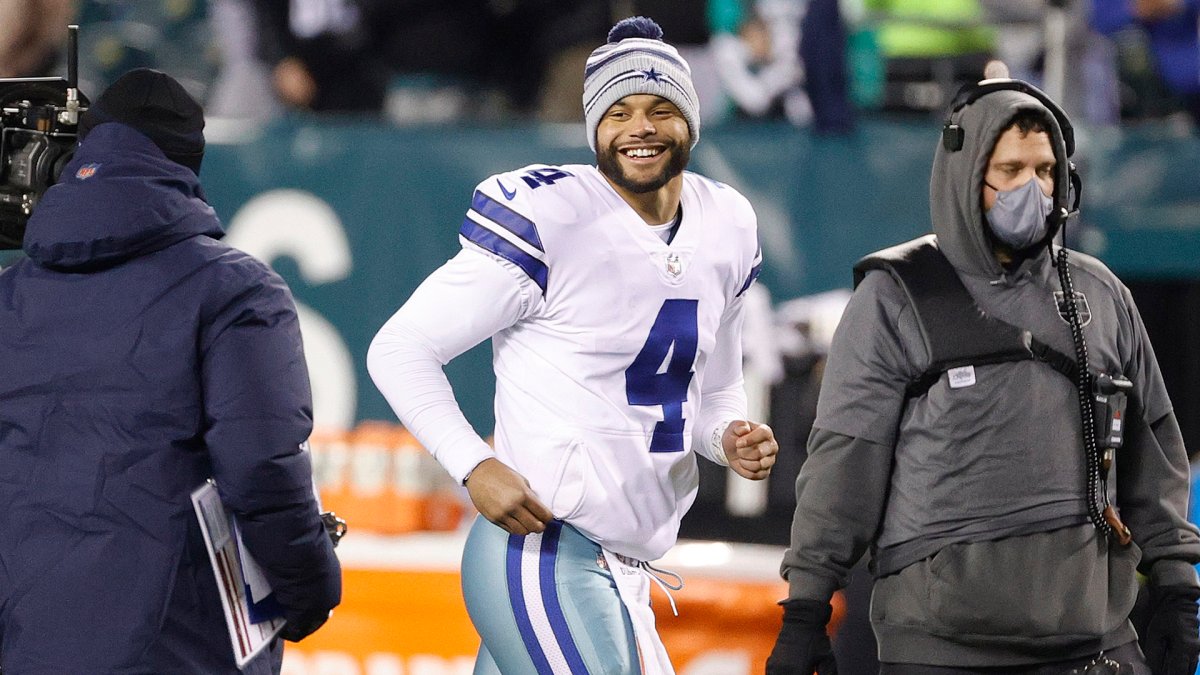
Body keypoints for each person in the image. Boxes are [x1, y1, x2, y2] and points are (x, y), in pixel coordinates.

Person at [368, 16, 778, 674]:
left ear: (691, 120)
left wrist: (727, 432)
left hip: (628, 566)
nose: (639, 127)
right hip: (544, 550)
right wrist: (473, 463)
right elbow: (401, 347)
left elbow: (711, 390)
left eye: (659, 108)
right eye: (618, 112)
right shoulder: (551, 218)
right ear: (593, 130)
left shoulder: (727, 221)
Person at [766, 70, 1200, 673]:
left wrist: (1178, 587)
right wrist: (806, 609)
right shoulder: (895, 300)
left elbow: (1154, 456)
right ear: (967, 176)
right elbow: (844, 468)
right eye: (1011, 171)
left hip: (1095, 646)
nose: (1033, 189)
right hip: (941, 653)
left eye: (1046, 171)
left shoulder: (1102, 295)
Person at [0, 68, 341, 673]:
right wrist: (309, 590)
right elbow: (261, 464)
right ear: (186, 167)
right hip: (177, 642)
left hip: (28, 641)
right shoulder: (235, 290)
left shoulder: (10, 295)